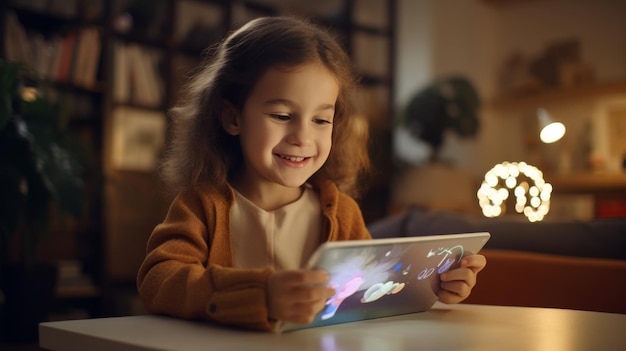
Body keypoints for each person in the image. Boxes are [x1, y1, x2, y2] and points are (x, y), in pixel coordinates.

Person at [136, 16, 486, 332]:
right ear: (232, 117)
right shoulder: (201, 206)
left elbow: (371, 290)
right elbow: (159, 280)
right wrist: (260, 295)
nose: (302, 137)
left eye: (321, 120)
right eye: (282, 115)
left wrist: (433, 287)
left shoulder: (342, 212)